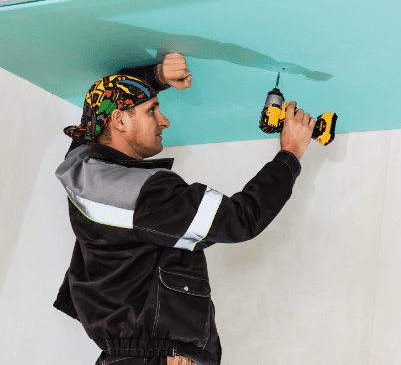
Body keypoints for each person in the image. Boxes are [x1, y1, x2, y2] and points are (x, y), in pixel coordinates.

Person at [53, 54, 316, 365]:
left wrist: (156, 76)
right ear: (120, 120)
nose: (164, 121)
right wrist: (290, 153)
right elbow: (242, 219)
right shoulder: (146, 194)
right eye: (152, 111)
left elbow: (103, 99)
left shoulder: (81, 169)